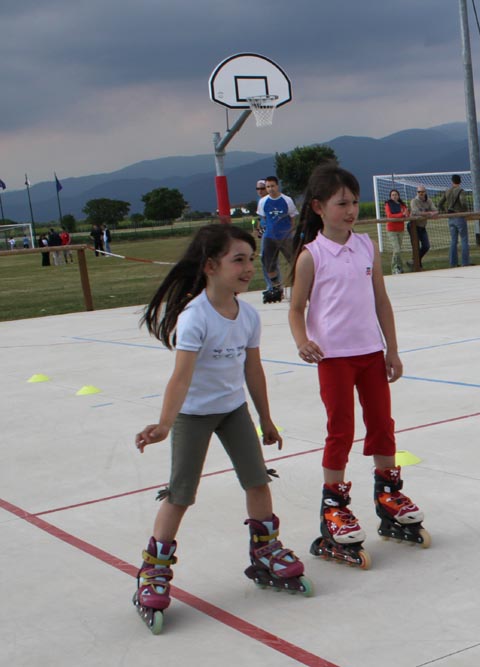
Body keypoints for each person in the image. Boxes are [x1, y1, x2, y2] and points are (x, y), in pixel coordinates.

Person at [132, 224, 310, 633]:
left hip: (233, 411)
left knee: (257, 479)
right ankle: (153, 569)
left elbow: (253, 370)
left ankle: (265, 550)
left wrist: (265, 418)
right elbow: (181, 378)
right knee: (180, 494)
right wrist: (165, 423)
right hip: (193, 415)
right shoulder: (194, 318)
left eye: (251, 259)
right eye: (238, 260)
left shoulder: (248, 315)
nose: (248, 268)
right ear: (211, 266)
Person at [288, 163, 428, 569]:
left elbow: (381, 300)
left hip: (370, 353)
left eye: (354, 202)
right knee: (341, 429)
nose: (350, 210)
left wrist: (392, 349)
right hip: (333, 358)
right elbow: (296, 309)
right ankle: (334, 507)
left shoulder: (366, 246)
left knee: (383, 423)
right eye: (341, 203)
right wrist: (302, 341)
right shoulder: (311, 256)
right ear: (318, 207)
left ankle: (389, 495)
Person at [257, 176, 299, 303]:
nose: (270, 189)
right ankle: (276, 288)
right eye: (268, 187)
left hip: (285, 236)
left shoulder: (287, 200)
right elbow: (264, 218)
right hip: (270, 236)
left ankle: (300, 285)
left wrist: (290, 232)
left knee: (295, 261)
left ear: (277, 186)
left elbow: (292, 218)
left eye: (272, 186)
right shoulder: (263, 202)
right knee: (269, 264)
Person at [437, 174, 470, 267]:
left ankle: (453, 263)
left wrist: (445, 211)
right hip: (459, 216)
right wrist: (465, 210)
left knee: (453, 241)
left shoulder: (447, 191)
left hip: (450, 217)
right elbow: (463, 202)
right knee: (464, 239)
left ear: (452, 181)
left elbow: (439, 203)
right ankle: (465, 262)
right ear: (460, 181)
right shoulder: (460, 191)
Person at [408, 185, 436, 268]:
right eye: (419, 192)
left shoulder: (429, 201)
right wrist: (428, 213)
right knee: (415, 245)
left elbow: (435, 210)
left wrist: (432, 213)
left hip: (422, 226)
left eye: (422, 192)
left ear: (425, 192)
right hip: (413, 226)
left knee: (426, 246)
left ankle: (414, 261)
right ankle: (417, 265)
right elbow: (415, 212)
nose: (420, 193)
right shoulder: (414, 201)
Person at [383, 189, 409, 275]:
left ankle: (399, 267)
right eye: (392, 195)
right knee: (396, 249)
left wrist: (406, 214)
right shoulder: (388, 204)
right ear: (390, 196)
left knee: (398, 250)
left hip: (400, 229)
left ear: (398, 196)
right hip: (391, 229)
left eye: (396, 194)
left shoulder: (402, 205)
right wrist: (401, 214)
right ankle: (394, 268)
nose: (394, 196)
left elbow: (407, 214)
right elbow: (390, 215)